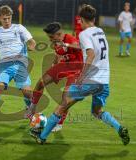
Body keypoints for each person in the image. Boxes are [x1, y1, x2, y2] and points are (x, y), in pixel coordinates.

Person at [30, 4, 130, 145]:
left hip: (90, 79)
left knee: (62, 105)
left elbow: (90, 54)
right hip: (104, 81)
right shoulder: (100, 31)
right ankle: (119, 127)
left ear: (81, 20)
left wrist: (82, 76)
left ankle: (42, 137)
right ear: (94, 18)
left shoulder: (84, 34)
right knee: (97, 111)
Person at [27, 22, 83, 132]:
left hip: (77, 69)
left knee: (65, 98)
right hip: (64, 66)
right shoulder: (56, 42)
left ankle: (59, 123)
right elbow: (58, 54)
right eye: (49, 37)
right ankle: (32, 109)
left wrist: (66, 45)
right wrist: (53, 65)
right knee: (41, 82)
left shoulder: (69, 38)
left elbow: (79, 46)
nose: (50, 39)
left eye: (51, 37)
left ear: (59, 34)